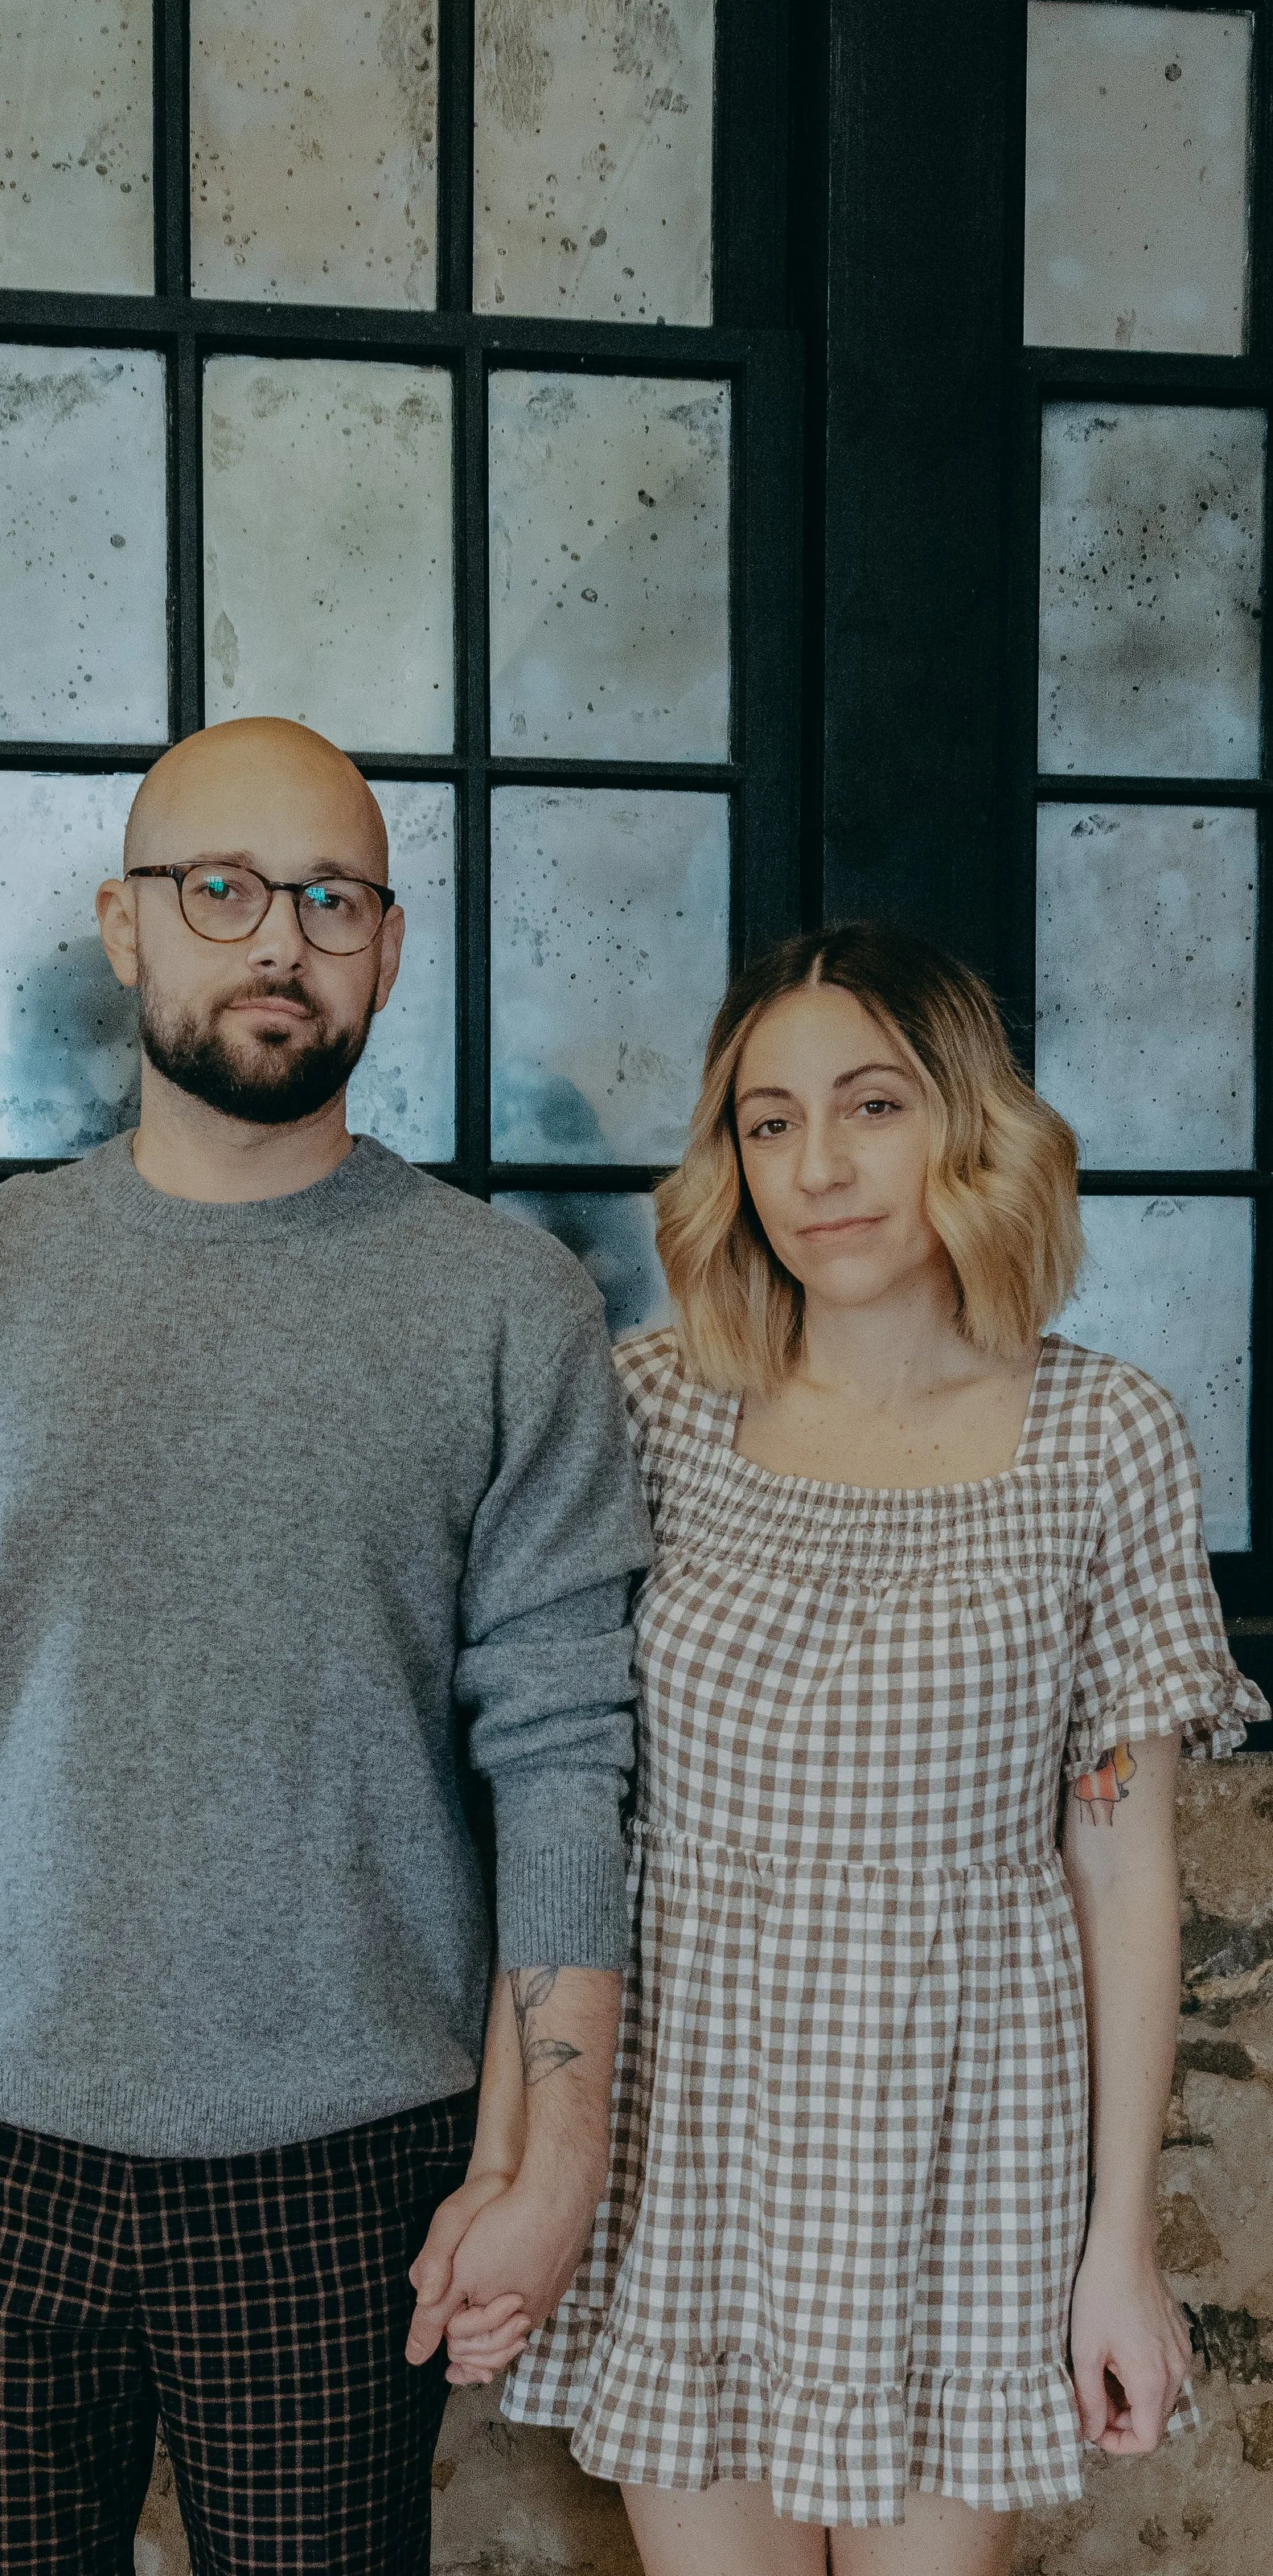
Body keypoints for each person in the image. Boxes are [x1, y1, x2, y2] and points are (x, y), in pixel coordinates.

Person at [0, 714, 652, 2575]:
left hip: (342, 2163)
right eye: (218, 889)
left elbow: (559, 1751)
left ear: (386, 947)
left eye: (329, 898)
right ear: (124, 927)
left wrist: (549, 2162)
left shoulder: (503, 1309)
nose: (276, 941)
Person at [448, 923, 1267, 2574]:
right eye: (765, 1120)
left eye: (870, 1104)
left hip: (962, 2131)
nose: (815, 1164)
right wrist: (505, 2159)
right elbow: (561, 1811)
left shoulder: (1099, 1434)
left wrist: (1117, 2247)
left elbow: (1117, 1866)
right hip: (684, 2115)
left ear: (965, 1123)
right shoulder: (648, 1406)